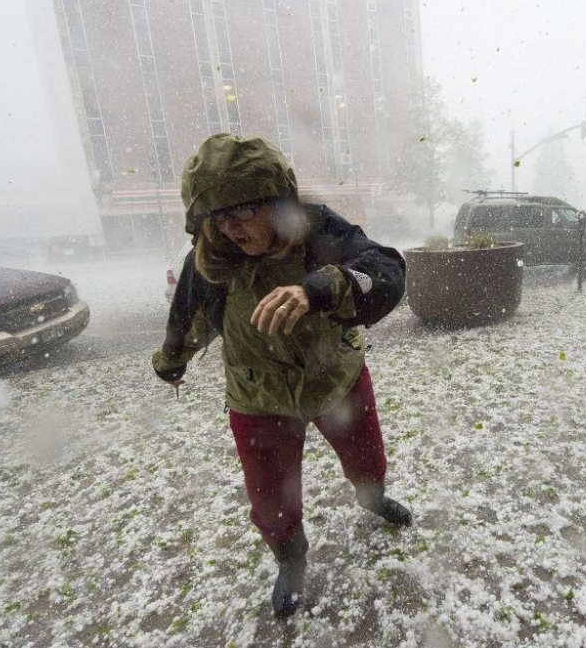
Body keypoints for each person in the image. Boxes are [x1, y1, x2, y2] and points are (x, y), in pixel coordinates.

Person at [152, 134, 411, 618]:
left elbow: (385, 269)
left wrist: (320, 288)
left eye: (243, 210)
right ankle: (291, 559)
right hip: (258, 397)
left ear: (275, 201)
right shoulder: (209, 260)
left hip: (336, 379)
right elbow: (186, 319)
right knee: (270, 500)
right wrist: (170, 362)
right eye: (218, 216)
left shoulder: (317, 229)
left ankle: (373, 498)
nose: (230, 227)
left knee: (367, 460)